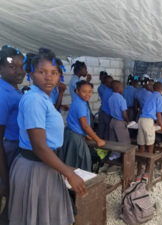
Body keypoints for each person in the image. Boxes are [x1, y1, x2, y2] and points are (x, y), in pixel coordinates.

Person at [9, 48, 86, 225]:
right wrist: (68, 172)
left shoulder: (44, 98)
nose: (48, 77)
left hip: (46, 164)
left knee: (44, 216)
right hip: (36, 167)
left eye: (54, 72)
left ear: (59, 75)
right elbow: (39, 146)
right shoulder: (34, 100)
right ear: (31, 74)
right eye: (41, 72)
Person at [0, 45, 25, 223]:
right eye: (12, 67)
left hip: (16, 149)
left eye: (21, 66)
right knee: (8, 198)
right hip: (8, 152)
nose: (19, 71)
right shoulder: (2, 94)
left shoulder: (14, 89)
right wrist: (6, 180)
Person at [58, 80, 105, 171]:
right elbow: (85, 126)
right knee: (82, 162)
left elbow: (79, 123)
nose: (87, 94)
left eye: (90, 91)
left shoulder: (78, 100)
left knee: (72, 161)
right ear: (77, 91)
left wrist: (87, 135)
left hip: (71, 133)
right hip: (75, 137)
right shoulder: (80, 105)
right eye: (84, 92)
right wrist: (98, 140)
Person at [136, 82, 162, 181]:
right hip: (148, 122)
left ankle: (139, 172)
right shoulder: (160, 98)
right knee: (150, 146)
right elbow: (158, 114)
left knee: (141, 146)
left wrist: (154, 122)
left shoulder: (149, 96)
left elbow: (148, 110)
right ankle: (147, 170)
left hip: (141, 120)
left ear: (153, 88)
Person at [97, 75, 113, 140]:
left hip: (103, 111)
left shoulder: (106, 91)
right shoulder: (110, 92)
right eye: (110, 82)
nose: (111, 83)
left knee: (102, 130)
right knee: (106, 130)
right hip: (107, 114)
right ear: (106, 84)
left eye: (112, 81)